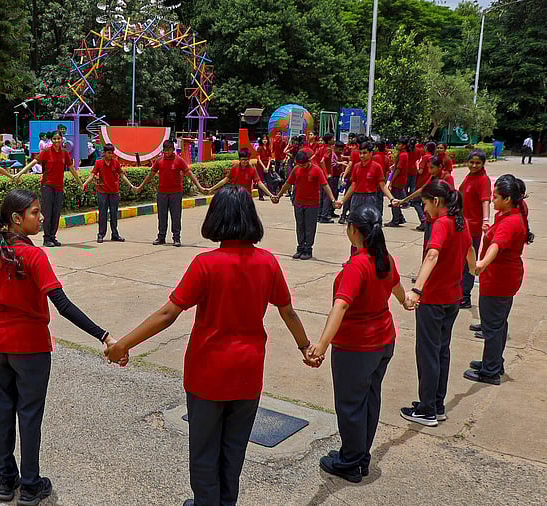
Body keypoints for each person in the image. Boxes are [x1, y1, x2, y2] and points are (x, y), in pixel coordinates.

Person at [105, 185, 318, 506]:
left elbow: (168, 314)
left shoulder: (205, 264)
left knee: (204, 454)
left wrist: (123, 345)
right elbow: (287, 310)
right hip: (248, 374)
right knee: (233, 453)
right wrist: (305, 347)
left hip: (207, 374)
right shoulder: (268, 263)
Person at [0, 190, 118, 505]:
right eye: (35, 212)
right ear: (17, 219)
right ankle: (31, 484)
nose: (42, 217)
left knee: (2, 409)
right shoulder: (34, 256)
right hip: (30, 348)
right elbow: (62, 305)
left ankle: (6, 481)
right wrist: (103, 335)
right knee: (30, 414)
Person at [307, 205, 407, 483]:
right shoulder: (383, 258)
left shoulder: (357, 266)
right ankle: (360, 455)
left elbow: (340, 307)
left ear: (354, 230)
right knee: (370, 398)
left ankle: (350, 461)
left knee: (351, 404)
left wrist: (322, 345)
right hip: (384, 341)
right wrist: (405, 301)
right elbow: (397, 286)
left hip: (357, 347)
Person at [400, 180, 475, 426]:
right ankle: (436, 404)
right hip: (452, 298)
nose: (424, 210)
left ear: (435, 201)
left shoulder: (442, 224)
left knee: (428, 353)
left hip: (434, 299)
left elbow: (432, 254)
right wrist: (474, 270)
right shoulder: (460, 222)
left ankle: (427, 409)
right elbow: (470, 250)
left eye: (424, 203)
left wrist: (416, 289)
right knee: (441, 351)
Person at [464, 175, 534, 385]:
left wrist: (481, 264)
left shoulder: (510, 221)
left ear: (507, 199)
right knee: (498, 324)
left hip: (498, 281)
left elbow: (497, 245)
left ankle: (490, 371)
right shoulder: (510, 215)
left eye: (495, 197)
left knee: (492, 327)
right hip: (505, 279)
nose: (492, 200)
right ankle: (493, 361)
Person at [134, 140, 207, 247]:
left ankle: (176, 238)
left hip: (176, 193)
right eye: (165, 151)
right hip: (162, 193)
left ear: (173, 149)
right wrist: (140, 187)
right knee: (162, 216)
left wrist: (199, 187)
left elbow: (189, 173)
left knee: (176, 216)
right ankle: (161, 237)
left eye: (168, 150)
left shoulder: (179, 161)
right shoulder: (159, 161)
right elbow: (150, 175)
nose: (166, 153)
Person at [14, 131, 82, 247]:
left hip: (59, 187)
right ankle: (46, 238)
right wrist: (19, 174)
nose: (56, 141)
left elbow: (71, 169)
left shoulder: (65, 153)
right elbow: (33, 162)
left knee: (56, 213)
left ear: (62, 139)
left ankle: (53, 237)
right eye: (54, 139)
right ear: (51, 140)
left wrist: (80, 182)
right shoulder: (46, 152)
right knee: (47, 212)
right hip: (47, 186)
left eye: (58, 139)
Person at [272, 151, 339, 260]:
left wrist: (332, 200)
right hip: (298, 202)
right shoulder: (296, 169)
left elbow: (325, 185)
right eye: (299, 164)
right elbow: (288, 183)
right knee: (300, 226)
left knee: (310, 227)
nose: (301, 166)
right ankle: (300, 247)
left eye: (303, 164)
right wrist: (278, 196)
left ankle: (308, 249)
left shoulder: (316, 170)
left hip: (312, 204)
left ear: (308, 161)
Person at [80, 144, 135, 243]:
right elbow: (92, 175)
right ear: (104, 153)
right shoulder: (98, 163)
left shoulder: (116, 163)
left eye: (112, 153)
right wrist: (84, 184)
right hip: (102, 192)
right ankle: (101, 234)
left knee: (114, 214)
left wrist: (131, 185)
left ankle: (115, 234)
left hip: (114, 192)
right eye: (109, 153)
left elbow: (122, 175)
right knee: (103, 214)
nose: (111, 155)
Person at [459, 149, 492, 309]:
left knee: (468, 263)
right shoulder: (469, 177)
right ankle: (459, 293)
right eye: (471, 162)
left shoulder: (483, 180)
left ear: (483, 164)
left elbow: (485, 201)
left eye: (478, 163)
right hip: (462, 225)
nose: (474, 165)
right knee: (459, 261)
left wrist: (485, 220)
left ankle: (465, 297)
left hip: (473, 228)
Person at [337, 142, 397, 227]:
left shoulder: (377, 167)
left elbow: (382, 186)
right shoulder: (356, 167)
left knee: (368, 225)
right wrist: (342, 201)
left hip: (370, 198)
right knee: (354, 225)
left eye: (364, 153)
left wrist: (391, 199)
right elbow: (353, 186)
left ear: (370, 153)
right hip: (356, 198)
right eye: (360, 153)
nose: (362, 155)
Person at [204, 148, 275, 199]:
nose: (245, 161)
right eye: (243, 159)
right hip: (233, 196)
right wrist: (211, 189)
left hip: (246, 197)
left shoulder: (252, 170)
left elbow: (260, 183)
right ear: (239, 159)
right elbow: (224, 180)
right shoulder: (234, 168)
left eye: (247, 159)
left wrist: (270, 195)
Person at [385, 138, 411, 227]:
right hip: (400, 180)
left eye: (399, 144)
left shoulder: (403, 155)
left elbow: (398, 169)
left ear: (404, 145)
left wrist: (391, 181)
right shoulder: (403, 154)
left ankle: (395, 220)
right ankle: (399, 217)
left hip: (398, 180)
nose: (397, 146)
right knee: (397, 198)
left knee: (394, 200)